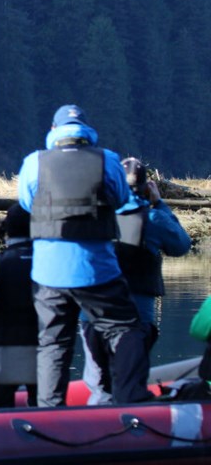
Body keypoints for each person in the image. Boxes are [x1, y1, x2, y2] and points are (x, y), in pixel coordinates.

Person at [18, 104, 152, 407]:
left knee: (53, 342)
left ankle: (49, 411)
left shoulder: (33, 162)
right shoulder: (107, 159)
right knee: (125, 329)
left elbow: (27, 204)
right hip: (96, 268)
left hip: (47, 272)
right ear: (86, 131)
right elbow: (120, 199)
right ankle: (132, 398)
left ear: (54, 131)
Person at [81, 157, 192, 404]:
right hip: (136, 316)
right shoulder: (153, 219)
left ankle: (94, 415)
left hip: (92, 316)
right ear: (145, 187)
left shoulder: (93, 216)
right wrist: (160, 204)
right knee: (130, 386)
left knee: (99, 384)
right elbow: (181, 246)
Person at [0, 203, 38, 408]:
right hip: (42, 348)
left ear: (6, 231)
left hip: (2, 347)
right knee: (44, 409)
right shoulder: (47, 262)